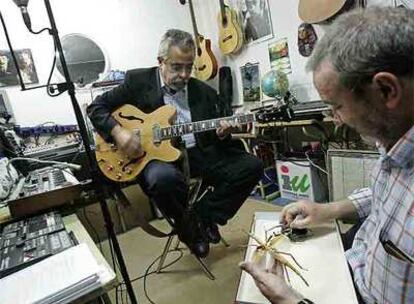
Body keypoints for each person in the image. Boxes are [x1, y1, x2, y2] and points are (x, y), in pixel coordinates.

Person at [241, 7, 414, 304]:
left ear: (386, 90)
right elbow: (386, 194)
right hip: (357, 262)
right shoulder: (396, 139)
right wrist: (327, 210)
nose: (334, 119)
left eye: (336, 106)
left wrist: (291, 301)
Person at [87, 29, 263, 258]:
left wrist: (222, 133)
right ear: (161, 62)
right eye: (176, 67)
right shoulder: (137, 81)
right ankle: (192, 231)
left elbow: (210, 137)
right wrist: (119, 132)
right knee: (162, 180)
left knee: (252, 166)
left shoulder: (205, 93)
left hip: (197, 153)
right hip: (156, 159)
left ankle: (201, 219)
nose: (184, 74)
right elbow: (96, 108)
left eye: (189, 67)